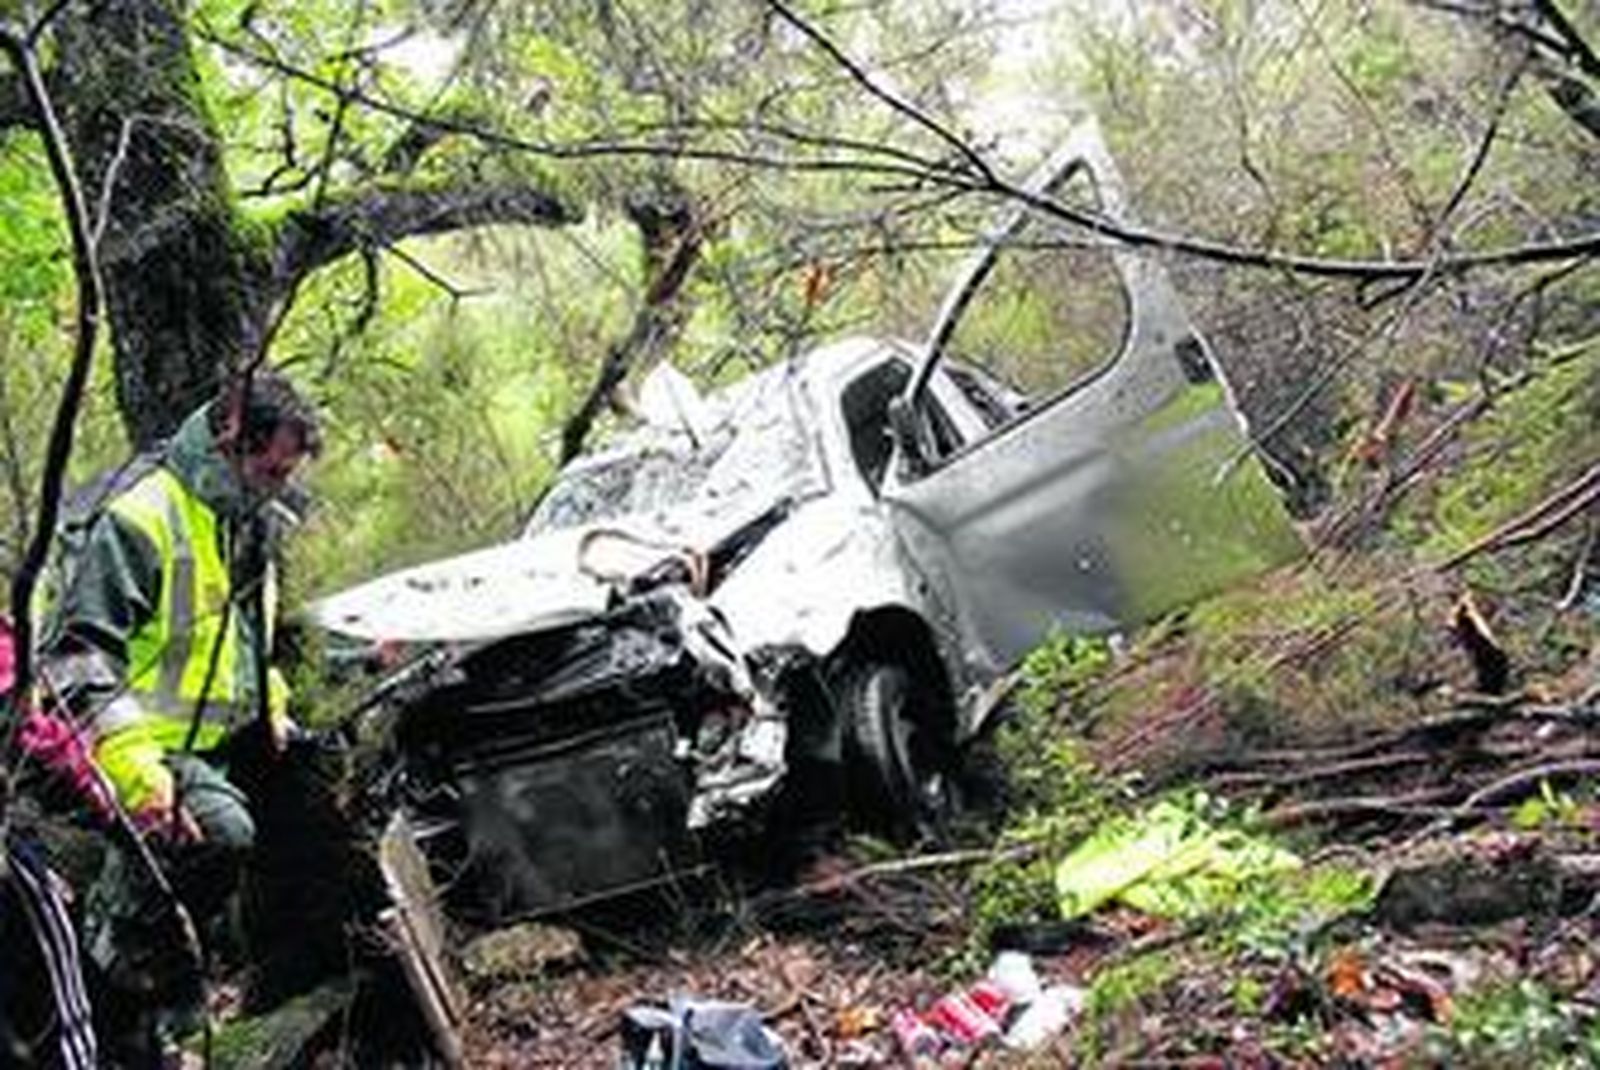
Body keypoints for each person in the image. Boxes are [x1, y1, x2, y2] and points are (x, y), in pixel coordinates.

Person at [40, 367, 320, 1063]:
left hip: (220, 736)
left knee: (322, 785)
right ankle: (113, 986)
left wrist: (274, 708)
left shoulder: (245, 518)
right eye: (271, 468)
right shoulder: (141, 514)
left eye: (287, 472)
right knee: (220, 831)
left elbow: (246, 637)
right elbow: (74, 656)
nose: (278, 484)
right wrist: (135, 771)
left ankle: (282, 990)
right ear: (230, 441)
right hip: (133, 747)